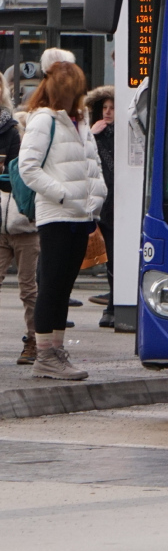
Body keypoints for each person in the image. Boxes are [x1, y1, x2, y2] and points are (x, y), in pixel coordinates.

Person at [19, 60, 106, 381]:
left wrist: (97, 196)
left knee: (63, 286)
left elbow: (93, 164)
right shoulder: (44, 119)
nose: (72, 96)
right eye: (68, 91)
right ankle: (46, 355)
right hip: (57, 215)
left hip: (81, 214)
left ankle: (55, 352)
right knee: (53, 286)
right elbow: (28, 167)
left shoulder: (79, 120)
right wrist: (63, 195)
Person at [0, 83, 40, 363]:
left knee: (28, 288)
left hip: (22, 221)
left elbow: (19, 176)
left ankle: (35, 341)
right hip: (0, 222)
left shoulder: (11, 130)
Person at [85, 86, 114, 328]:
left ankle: (114, 304)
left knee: (114, 256)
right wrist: (91, 135)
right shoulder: (93, 135)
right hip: (98, 205)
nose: (107, 112)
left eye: (112, 108)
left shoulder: (124, 136)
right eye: (104, 108)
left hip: (116, 205)